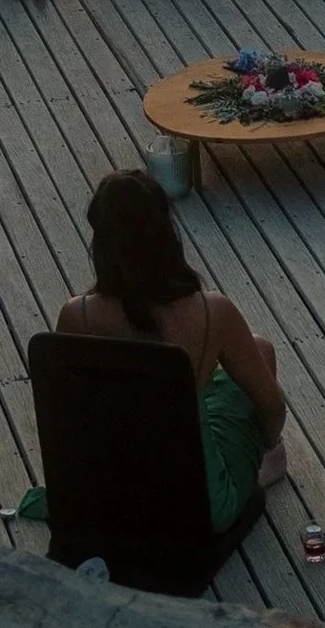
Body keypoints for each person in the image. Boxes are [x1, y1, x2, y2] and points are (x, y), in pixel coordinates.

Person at [26, 169, 288, 533]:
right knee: (261, 353)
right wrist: (268, 437)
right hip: (195, 505)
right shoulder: (211, 311)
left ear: (100, 241)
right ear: (167, 230)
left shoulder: (77, 315)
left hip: (110, 497)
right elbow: (272, 406)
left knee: (252, 352)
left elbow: (71, 417)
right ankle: (267, 462)